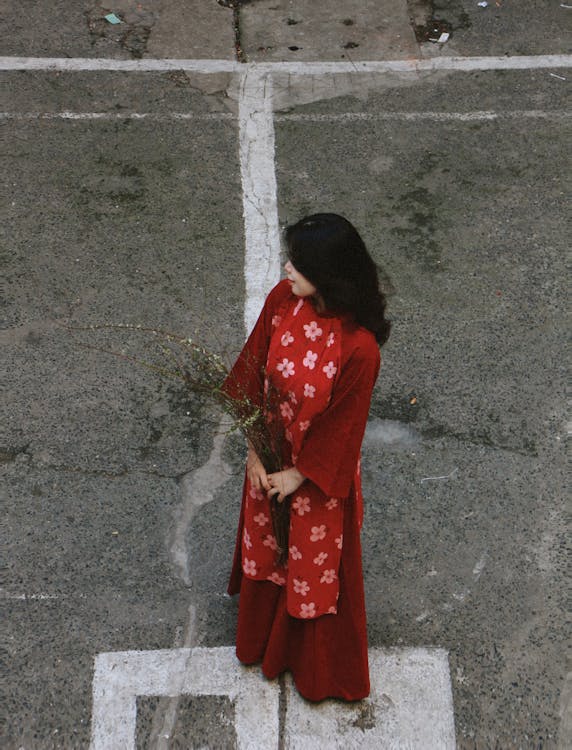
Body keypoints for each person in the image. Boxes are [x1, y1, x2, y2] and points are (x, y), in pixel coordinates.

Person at [223, 213, 391, 702]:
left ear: (330, 275)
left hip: (313, 478)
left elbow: (344, 429)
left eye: (298, 262)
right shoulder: (282, 301)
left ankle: (304, 659)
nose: (286, 268)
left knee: (309, 568)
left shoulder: (360, 350)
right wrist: (256, 453)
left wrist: (298, 475)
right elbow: (253, 369)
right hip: (270, 459)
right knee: (271, 549)